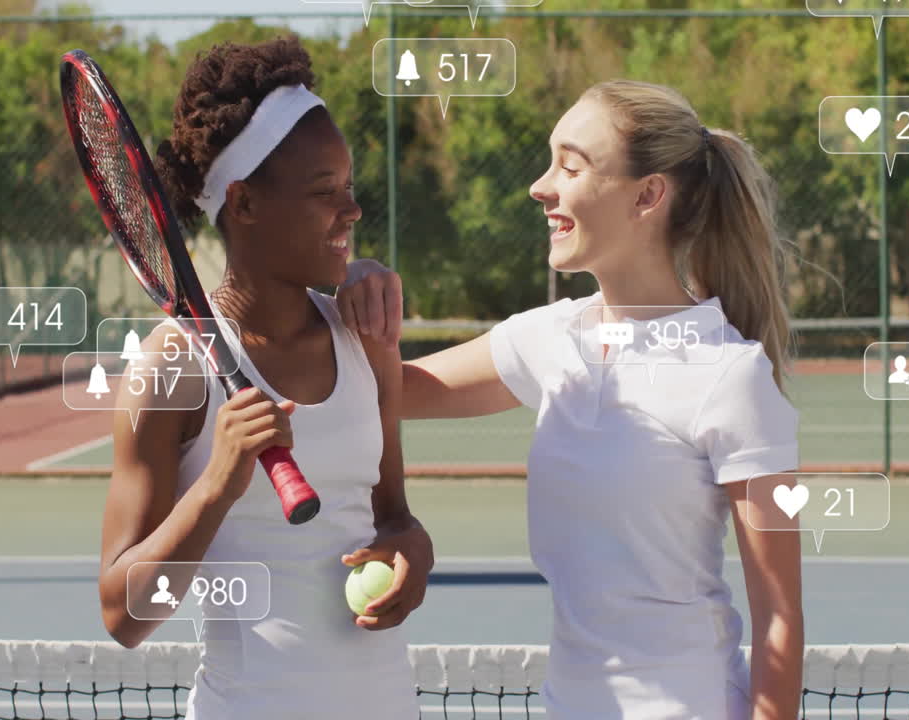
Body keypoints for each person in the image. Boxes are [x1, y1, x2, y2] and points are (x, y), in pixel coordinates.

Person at [338, 80, 804, 719]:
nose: (540, 185)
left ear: (648, 195)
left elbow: (779, 618)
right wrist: (355, 285)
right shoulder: (549, 338)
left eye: (571, 165)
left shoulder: (730, 377)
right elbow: (384, 390)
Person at [96, 36, 431, 719]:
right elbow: (125, 613)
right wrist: (216, 486)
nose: (353, 211)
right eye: (324, 191)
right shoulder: (169, 368)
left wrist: (410, 562)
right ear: (244, 205)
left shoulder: (364, 335)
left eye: (350, 186)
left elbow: (397, 518)